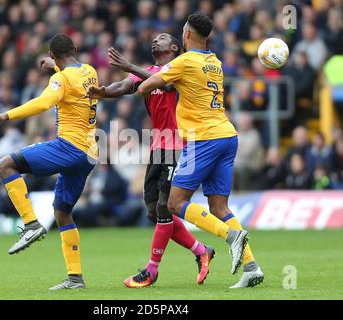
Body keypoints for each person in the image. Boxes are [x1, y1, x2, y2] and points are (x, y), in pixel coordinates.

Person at [138, 13, 264, 288]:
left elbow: (144, 88)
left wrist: (149, 74)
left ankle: (230, 237)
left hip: (203, 139)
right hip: (227, 136)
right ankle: (251, 267)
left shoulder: (183, 62)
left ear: (186, 35)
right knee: (219, 206)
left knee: (173, 203)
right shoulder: (214, 61)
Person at [86, 33, 215, 288]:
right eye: (154, 39)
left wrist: (129, 65)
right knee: (153, 210)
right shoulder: (148, 71)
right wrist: (103, 91)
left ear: (175, 47)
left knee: (164, 207)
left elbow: (166, 85)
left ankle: (151, 270)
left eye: (163, 38)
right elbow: (123, 86)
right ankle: (201, 250)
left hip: (179, 144)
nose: (155, 41)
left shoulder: (181, 68)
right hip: (158, 146)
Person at [0, 34, 98, 290]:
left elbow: (44, 102)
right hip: (89, 154)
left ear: (53, 55)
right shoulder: (89, 71)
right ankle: (75, 278)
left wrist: (6, 115)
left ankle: (31, 224)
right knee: (62, 213)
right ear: (75, 49)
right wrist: (54, 63)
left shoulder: (60, 79)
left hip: (69, 147)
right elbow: (70, 72)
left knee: (5, 164)